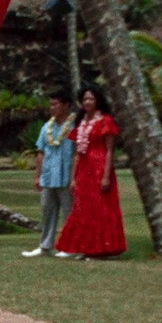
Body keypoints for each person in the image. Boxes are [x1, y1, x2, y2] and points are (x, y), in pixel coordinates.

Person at [55, 86, 126, 259]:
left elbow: (110, 150)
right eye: (85, 99)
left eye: (91, 99)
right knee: (83, 209)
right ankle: (86, 247)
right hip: (84, 169)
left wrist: (106, 176)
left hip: (99, 167)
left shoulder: (106, 120)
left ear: (98, 100)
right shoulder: (81, 121)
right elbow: (77, 153)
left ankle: (100, 249)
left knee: (99, 208)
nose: (87, 102)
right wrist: (73, 178)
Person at [23, 92, 77, 258]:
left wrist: (74, 178)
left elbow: (78, 154)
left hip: (66, 176)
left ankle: (70, 247)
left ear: (66, 105)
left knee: (69, 213)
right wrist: (37, 176)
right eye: (51, 105)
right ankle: (45, 246)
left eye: (55, 104)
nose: (52, 108)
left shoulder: (74, 127)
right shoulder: (47, 127)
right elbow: (41, 152)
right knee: (47, 211)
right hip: (48, 176)